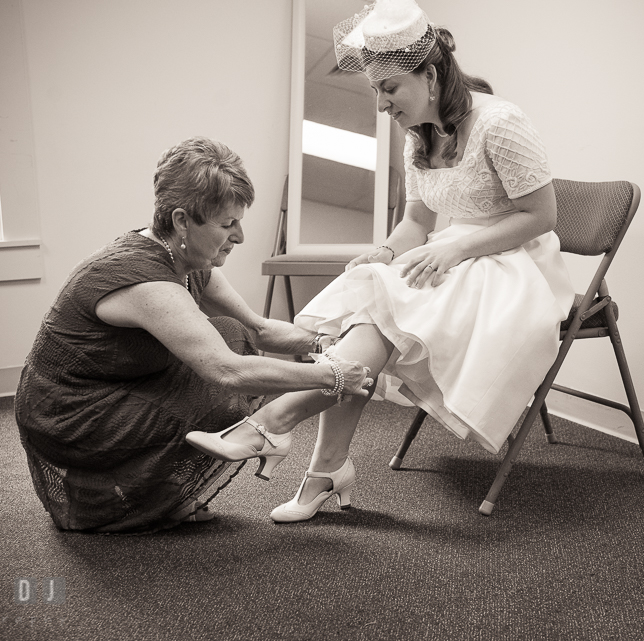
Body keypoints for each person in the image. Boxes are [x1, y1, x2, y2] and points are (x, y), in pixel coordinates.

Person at [186, 0, 575, 523]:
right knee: (373, 302)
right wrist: (387, 251)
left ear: (431, 75)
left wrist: (455, 248)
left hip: (514, 263)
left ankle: (282, 427)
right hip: (451, 255)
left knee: (383, 314)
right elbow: (416, 224)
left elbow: (542, 215)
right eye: (375, 90)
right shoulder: (418, 132)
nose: (381, 104)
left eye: (389, 88)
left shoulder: (500, 122)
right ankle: (315, 459)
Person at [15, 136, 373, 534]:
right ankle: (122, 498)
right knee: (225, 360)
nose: (240, 236)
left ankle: (157, 492)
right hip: (70, 413)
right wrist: (334, 376)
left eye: (239, 221)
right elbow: (227, 372)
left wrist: (326, 343)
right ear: (182, 220)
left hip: (117, 385)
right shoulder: (146, 282)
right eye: (227, 224)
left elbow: (261, 329)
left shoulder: (184, 257)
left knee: (234, 332)